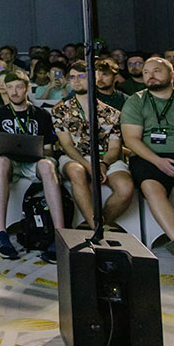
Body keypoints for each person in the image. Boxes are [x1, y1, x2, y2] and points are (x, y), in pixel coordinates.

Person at [120, 57, 174, 270]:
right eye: (146, 72)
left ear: (173, 75)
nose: (150, 75)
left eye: (156, 70)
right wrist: (158, 161)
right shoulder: (136, 100)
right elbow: (131, 139)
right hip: (149, 157)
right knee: (151, 187)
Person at [0, 71, 64, 262]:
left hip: (34, 162)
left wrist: (33, 150)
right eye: (10, 87)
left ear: (28, 88)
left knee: (47, 166)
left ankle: (60, 234)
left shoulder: (42, 114)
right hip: (8, 162)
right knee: (1, 161)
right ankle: (1, 232)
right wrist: (5, 149)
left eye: (19, 87)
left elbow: (49, 150)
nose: (14, 92)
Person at [51, 63, 134, 228]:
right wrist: (89, 166)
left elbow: (114, 147)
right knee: (77, 172)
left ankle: (97, 224)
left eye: (82, 77)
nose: (76, 81)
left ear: (92, 79)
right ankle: (97, 229)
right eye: (72, 77)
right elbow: (67, 145)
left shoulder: (112, 113)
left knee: (125, 188)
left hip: (106, 159)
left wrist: (102, 164)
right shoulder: (60, 111)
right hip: (74, 158)